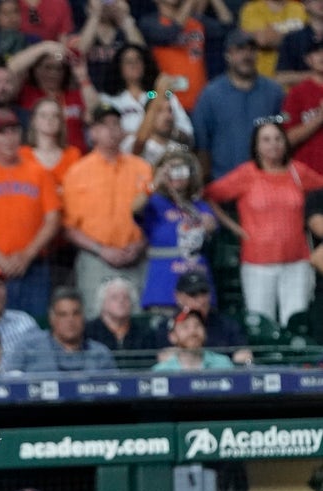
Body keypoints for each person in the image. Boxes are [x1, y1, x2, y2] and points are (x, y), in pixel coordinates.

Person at [205, 118, 323, 327]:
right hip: (257, 261)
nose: (273, 144)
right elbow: (209, 195)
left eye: (278, 138)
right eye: (266, 139)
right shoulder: (246, 173)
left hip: (297, 261)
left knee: (297, 322)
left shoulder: (298, 171)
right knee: (261, 323)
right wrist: (233, 228)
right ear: (256, 145)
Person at [0, 111, 62, 319]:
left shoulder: (39, 172)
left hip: (34, 265)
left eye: (13, 132)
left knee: (34, 325)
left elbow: (53, 219)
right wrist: (0, 259)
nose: (8, 138)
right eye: (1, 132)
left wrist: (26, 255)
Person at [62, 104, 152, 320]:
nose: (111, 130)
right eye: (103, 125)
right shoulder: (77, 172)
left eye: (115, 124)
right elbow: (69, 227)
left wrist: (140, 245)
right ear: (92, 132)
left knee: (138, 319)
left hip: (136, 256)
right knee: (94, 318)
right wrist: (101, 250)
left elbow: (155, 215)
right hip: (95, 258)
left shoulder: (142, 168)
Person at [192, 30, 285, 180]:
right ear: (228, 55)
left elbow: (284, 137)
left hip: (266, 179)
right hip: (223, 179)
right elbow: (202, 145)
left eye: (251, 50)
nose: (246, 56)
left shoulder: (273, 92)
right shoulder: (211, 93)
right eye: (240, 50)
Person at [136, 148, 217, 310]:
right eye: (171, 168)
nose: (177, 174)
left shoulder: (200, 206)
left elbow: (211, 226)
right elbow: (135, 209)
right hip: (163, 289)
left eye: (182, 169)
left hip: (198, 287)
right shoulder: (155, 203)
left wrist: (209, 224)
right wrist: (154, 183)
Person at [7, 287, 118, 373]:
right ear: (52, 318)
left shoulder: (100, 354)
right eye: (63, 315)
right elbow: (9, 387)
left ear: (84, 317)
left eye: (76, 314)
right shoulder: (27, 349)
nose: (70, 320)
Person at [84, 276, 156, 370]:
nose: (121, 301)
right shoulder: (88, 332)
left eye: (126, 297)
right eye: (114, 297)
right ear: (102, 303)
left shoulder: (145, 333)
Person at [282, 39, 323, 176]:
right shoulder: (296, 93)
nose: (322, 56)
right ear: (308, 59)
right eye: (317, 52)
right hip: (306, 176)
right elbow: (287, 139)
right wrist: (319, 118)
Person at [154, 307, 238, 371]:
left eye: (197, 325)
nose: (193, 331)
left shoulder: (223, 364)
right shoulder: (162, 370)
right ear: (172, 336)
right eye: (185, 327)